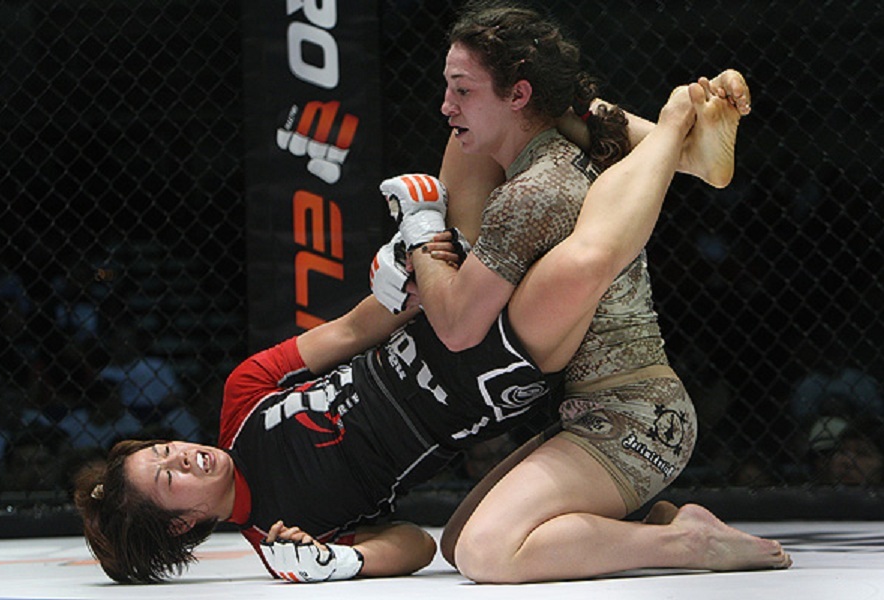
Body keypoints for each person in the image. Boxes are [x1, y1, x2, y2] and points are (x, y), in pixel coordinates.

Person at [71, 72, 782, 584]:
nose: (184, 455)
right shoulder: (282, 539)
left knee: (472, 125)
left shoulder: (241, 400)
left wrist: (398, 279)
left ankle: (679, 147)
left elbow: (348, 333)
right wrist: (342, 559)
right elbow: (414, 543)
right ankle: (674, 130)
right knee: (583, 263)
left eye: (164, 448)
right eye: (169, 476)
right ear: (182, 525)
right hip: (493, 367)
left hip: (440, 307)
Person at [393, 2, 788, 583]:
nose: (445, 106)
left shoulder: (534, 191)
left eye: (463, 90)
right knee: (456, 541)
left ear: (518, 94)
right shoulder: (547, 147)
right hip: (592, 410)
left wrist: (419, 229)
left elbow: (456, 325)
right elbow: (547, 118)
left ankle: (686, 542)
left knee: (487, 551)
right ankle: (657, 522)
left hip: (637, 419)